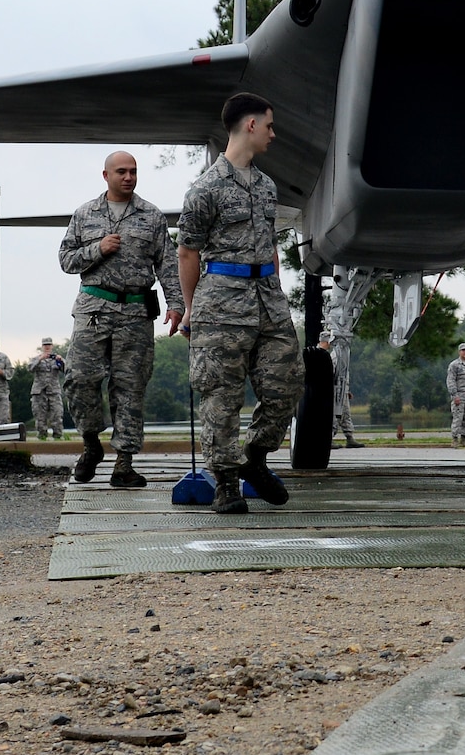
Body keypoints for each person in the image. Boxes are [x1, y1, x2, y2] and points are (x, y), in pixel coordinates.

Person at [177, 92, 304, 515]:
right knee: (221, 396)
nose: (273, 133)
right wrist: (192, 308)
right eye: (269, 125)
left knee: (287, 383)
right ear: (250, 125)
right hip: (221, 303)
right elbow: (188, 252)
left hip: (268, 299)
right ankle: (226, 483)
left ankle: (256, 456)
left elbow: (269, 245)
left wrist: (278, 290)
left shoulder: (267, 186)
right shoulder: (205, 189)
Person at [58, 150, 185, 486]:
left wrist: (177, 305)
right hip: (94, 308)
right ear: (106, 176)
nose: (128, 177)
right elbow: (66, 260)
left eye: (133, 172)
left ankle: (124, 464)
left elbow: (168, 265)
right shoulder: (85, 214)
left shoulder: (152, 216)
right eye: (121, 172)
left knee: (130, 387)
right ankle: (90, 444)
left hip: (135, 312)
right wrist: (96, 249)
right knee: (79, 378)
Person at [324, 334, 363, 449]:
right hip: (335, 391)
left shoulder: (343, 355)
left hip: (342, 390)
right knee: (334, 415)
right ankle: (329, 438)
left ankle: (349, 438)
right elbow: (334, 375)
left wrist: (346, 390)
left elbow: (343, 375)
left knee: (345, 414)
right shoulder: (335, 356)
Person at [30, 337, 67, 441]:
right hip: (39, 391)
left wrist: (60, 361)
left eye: (49, 345)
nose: (47, 347)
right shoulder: (36, 359)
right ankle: (42, 436)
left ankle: (58, 436)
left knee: (57, 414)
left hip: (53, 391)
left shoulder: (57, 359)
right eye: (45, 345)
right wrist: (40, 359)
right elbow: (30, 368)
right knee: (40, 416)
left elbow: (66, 370)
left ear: (52, 346)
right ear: (42, 346)